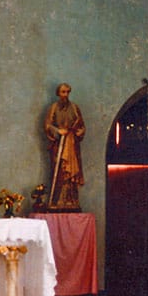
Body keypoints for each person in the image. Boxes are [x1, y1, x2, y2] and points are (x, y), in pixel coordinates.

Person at [44, 83, 86, 211]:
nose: (65, 95)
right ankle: (57, 200)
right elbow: (47, 125)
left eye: (67, 92)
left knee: (72, 172)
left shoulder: (74, 108)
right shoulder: (54, 108)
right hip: (59, 145)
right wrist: (58, 131)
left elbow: (82, 126)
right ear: (58, 93)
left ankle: (71, 200)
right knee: (60, 171)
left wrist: (76, 132)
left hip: (72, 144)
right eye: (63, 92)